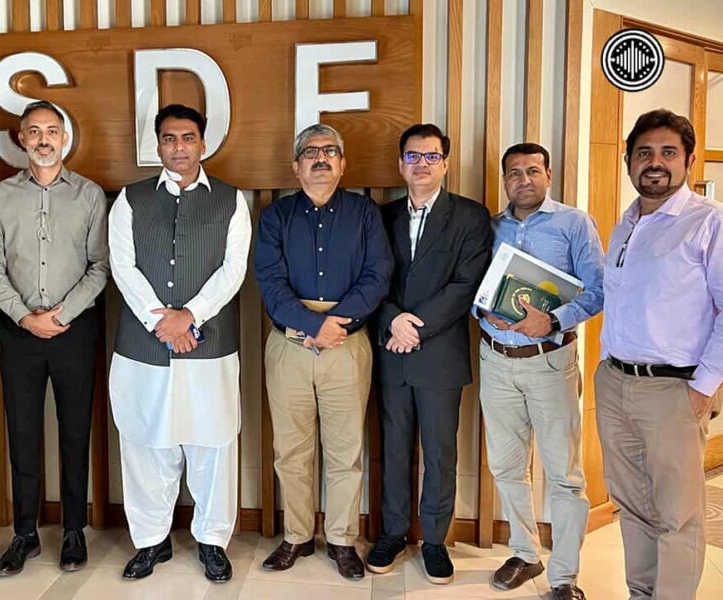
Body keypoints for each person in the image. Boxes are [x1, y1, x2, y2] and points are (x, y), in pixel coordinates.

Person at [108, 104, 251, 583]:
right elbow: (123, 266)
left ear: (202, 144)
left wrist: (190, 316)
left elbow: (233, 269)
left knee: (213, 442)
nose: (179, 147)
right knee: (146, 442)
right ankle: (151, 540)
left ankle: (212, 540)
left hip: (210, 345)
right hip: (143, 346)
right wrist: (162, 323)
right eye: (169, 138)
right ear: (158, 145)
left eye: (188, 138)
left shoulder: (231, 200)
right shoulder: (130, 200)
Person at [0, 100, 109, 576]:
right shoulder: (0, 196)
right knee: (23, 432)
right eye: (34, 131)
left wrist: (61, 313)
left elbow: (101, 266)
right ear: (21, 139)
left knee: (75, 433)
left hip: (75, 331)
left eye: (52, 130)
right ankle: (24, 534)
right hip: (19, 334)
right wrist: (23, 316)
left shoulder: (90, 195)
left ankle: (74, 530)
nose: (43, 139)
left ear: (64, 138)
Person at [255, 123, 391, 580]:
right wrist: (313, 325)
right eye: (310, 152)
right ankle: (296, 535)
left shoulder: (364, 213)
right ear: (295, 167)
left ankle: (342, 539)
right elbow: (269, 281)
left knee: (345, 450)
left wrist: (335, 325)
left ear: (342, 164)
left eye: (330, 151)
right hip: (289, 345)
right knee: (290, 450)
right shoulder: (276, 216)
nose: (320, 158)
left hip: (346, 344)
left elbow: (377, 275)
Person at [597, 109, 722, 600]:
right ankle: (641, 593)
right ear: (628, 161)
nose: (655, 162)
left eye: (668, 152)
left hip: (674, 388)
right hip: (615, 383)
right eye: (644, 152)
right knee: (632, 505)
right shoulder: (626, 223)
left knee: (678, 514)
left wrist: (704, 386)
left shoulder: (708, 222)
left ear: (689, 160)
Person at [477, 143, 604, 600]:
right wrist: (482, 311)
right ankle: (525, 553)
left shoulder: (574, 223)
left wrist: (550, 321)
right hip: (495, 361)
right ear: (505, 180)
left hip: (550, 362)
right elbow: (476, 288)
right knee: (507, 466)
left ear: (548, 175)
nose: (523, 179)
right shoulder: (490, 227)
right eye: (514, 173)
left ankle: (565, 577)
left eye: (533, 170)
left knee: (564, 475)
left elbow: (598, 291)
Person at [368, 124, 492, 585]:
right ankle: (393, 534)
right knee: (394, 449)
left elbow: (466, 284)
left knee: (440, 453)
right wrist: (392, 320)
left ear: (446, 163)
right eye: (413, 156)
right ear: (400, 163)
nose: (422, 164)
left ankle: (435, 541)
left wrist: (413, 327)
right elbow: (370, 277)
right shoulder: (381, 216)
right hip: (391, 350)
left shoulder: (471, 217)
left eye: (431, 156)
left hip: (439, 352)